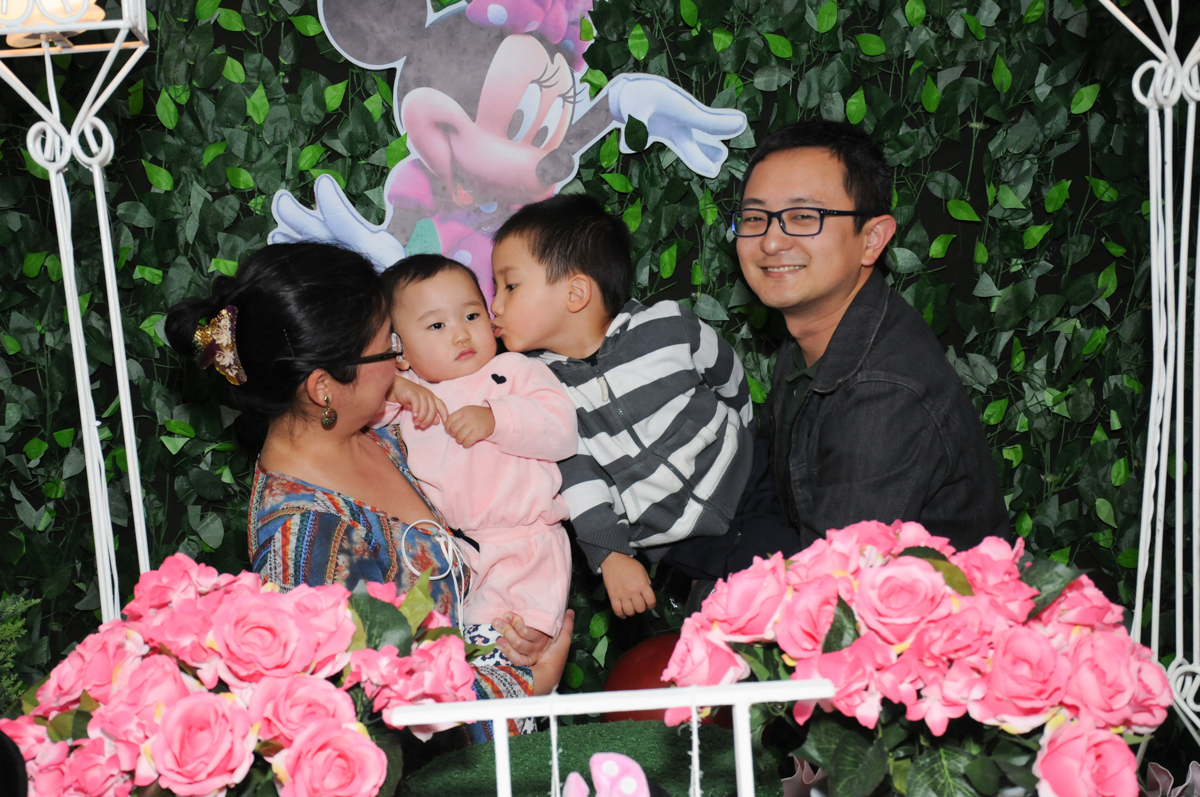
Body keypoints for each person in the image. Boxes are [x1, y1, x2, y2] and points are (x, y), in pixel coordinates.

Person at [164, 243, 573, 734]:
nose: (402, 363)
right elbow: (390, 730)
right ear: (323, 389)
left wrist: (508, 635)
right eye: (389, 347)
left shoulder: (384, 433)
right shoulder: (310, 539)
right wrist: (526, 687)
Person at [489, 194, 798, 619]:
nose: (495, 305)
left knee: (789, 588)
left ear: (576, 292)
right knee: (723, 623)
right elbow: (577, 480)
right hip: (681, 540)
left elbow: (726, 373)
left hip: (749, 483)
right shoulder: (542, 391)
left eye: (509, 285)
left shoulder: (667, 326)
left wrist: (744, 434)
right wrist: (610, 555)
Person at [735, 120, 1010, 550]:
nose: (771, 241)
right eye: (755, 217)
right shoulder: (809, 337)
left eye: (803, 216)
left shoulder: (883, 392)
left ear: (872, 239)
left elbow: (834, 590)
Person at [371, 254, 577, 642]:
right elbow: (367, 414)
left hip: (526, 543)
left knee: (516, 643)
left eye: (471, 316)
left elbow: (562, 427)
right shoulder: (413, 394)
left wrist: (497, 419)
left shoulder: (514, 371)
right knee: (454, 653)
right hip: (457, 552)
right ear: (399, 350)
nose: (461, 334)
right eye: (436, 325)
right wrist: (396, 386)